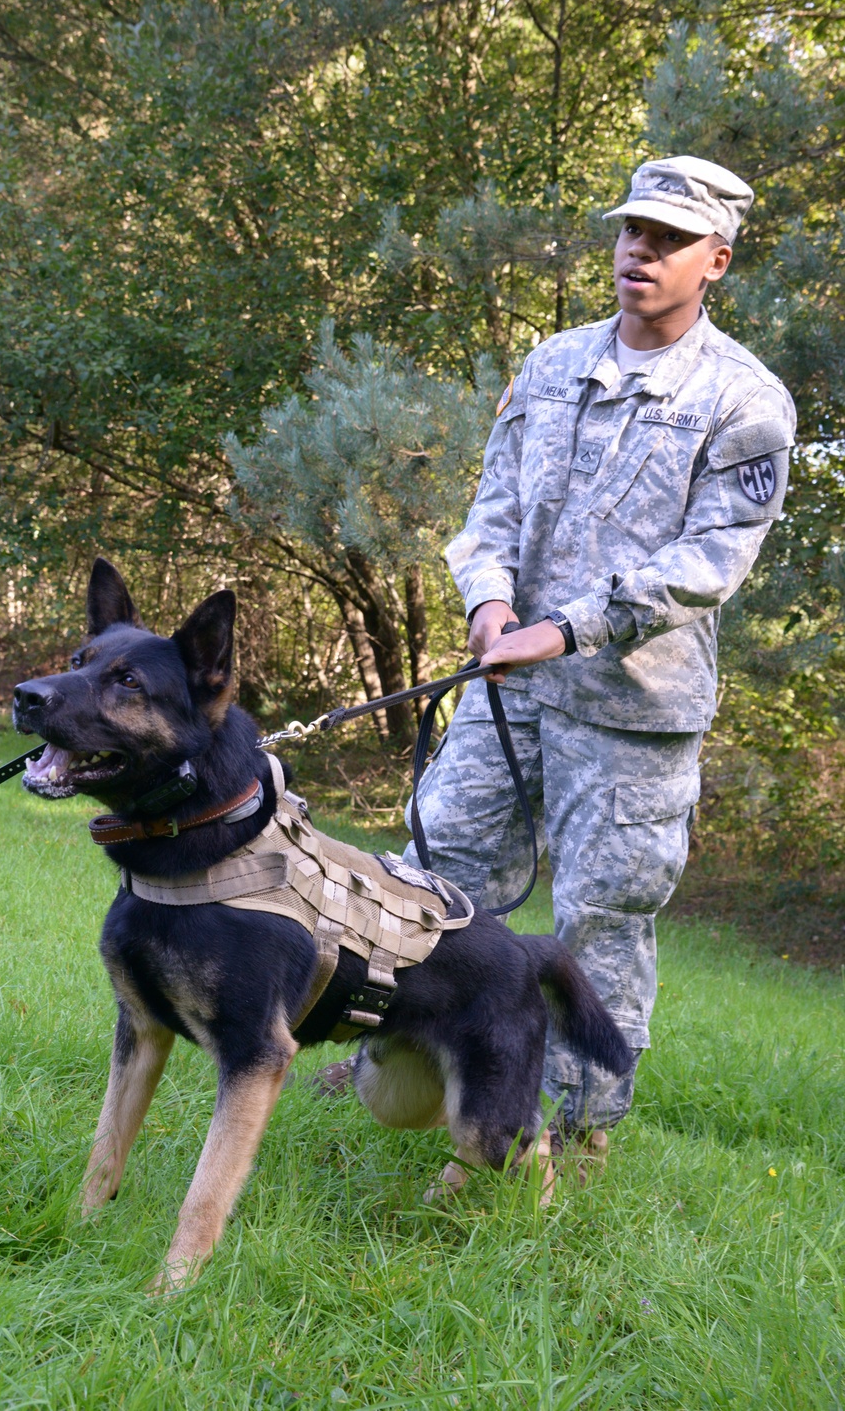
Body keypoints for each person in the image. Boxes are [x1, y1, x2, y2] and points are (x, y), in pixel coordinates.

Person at [319, 156, 796, 1166]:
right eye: (632, 231)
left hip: (629, 711)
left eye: (668, 240)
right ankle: (398, 1064)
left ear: (716, 258)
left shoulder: (743, 401)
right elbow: (492, 504)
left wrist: (565, 628)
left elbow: (710, 563)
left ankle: (575, 1135)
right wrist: (489, 599)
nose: (640, 252)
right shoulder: (552, 362)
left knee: (600, 920)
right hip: (509, 689)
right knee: (436, 874)